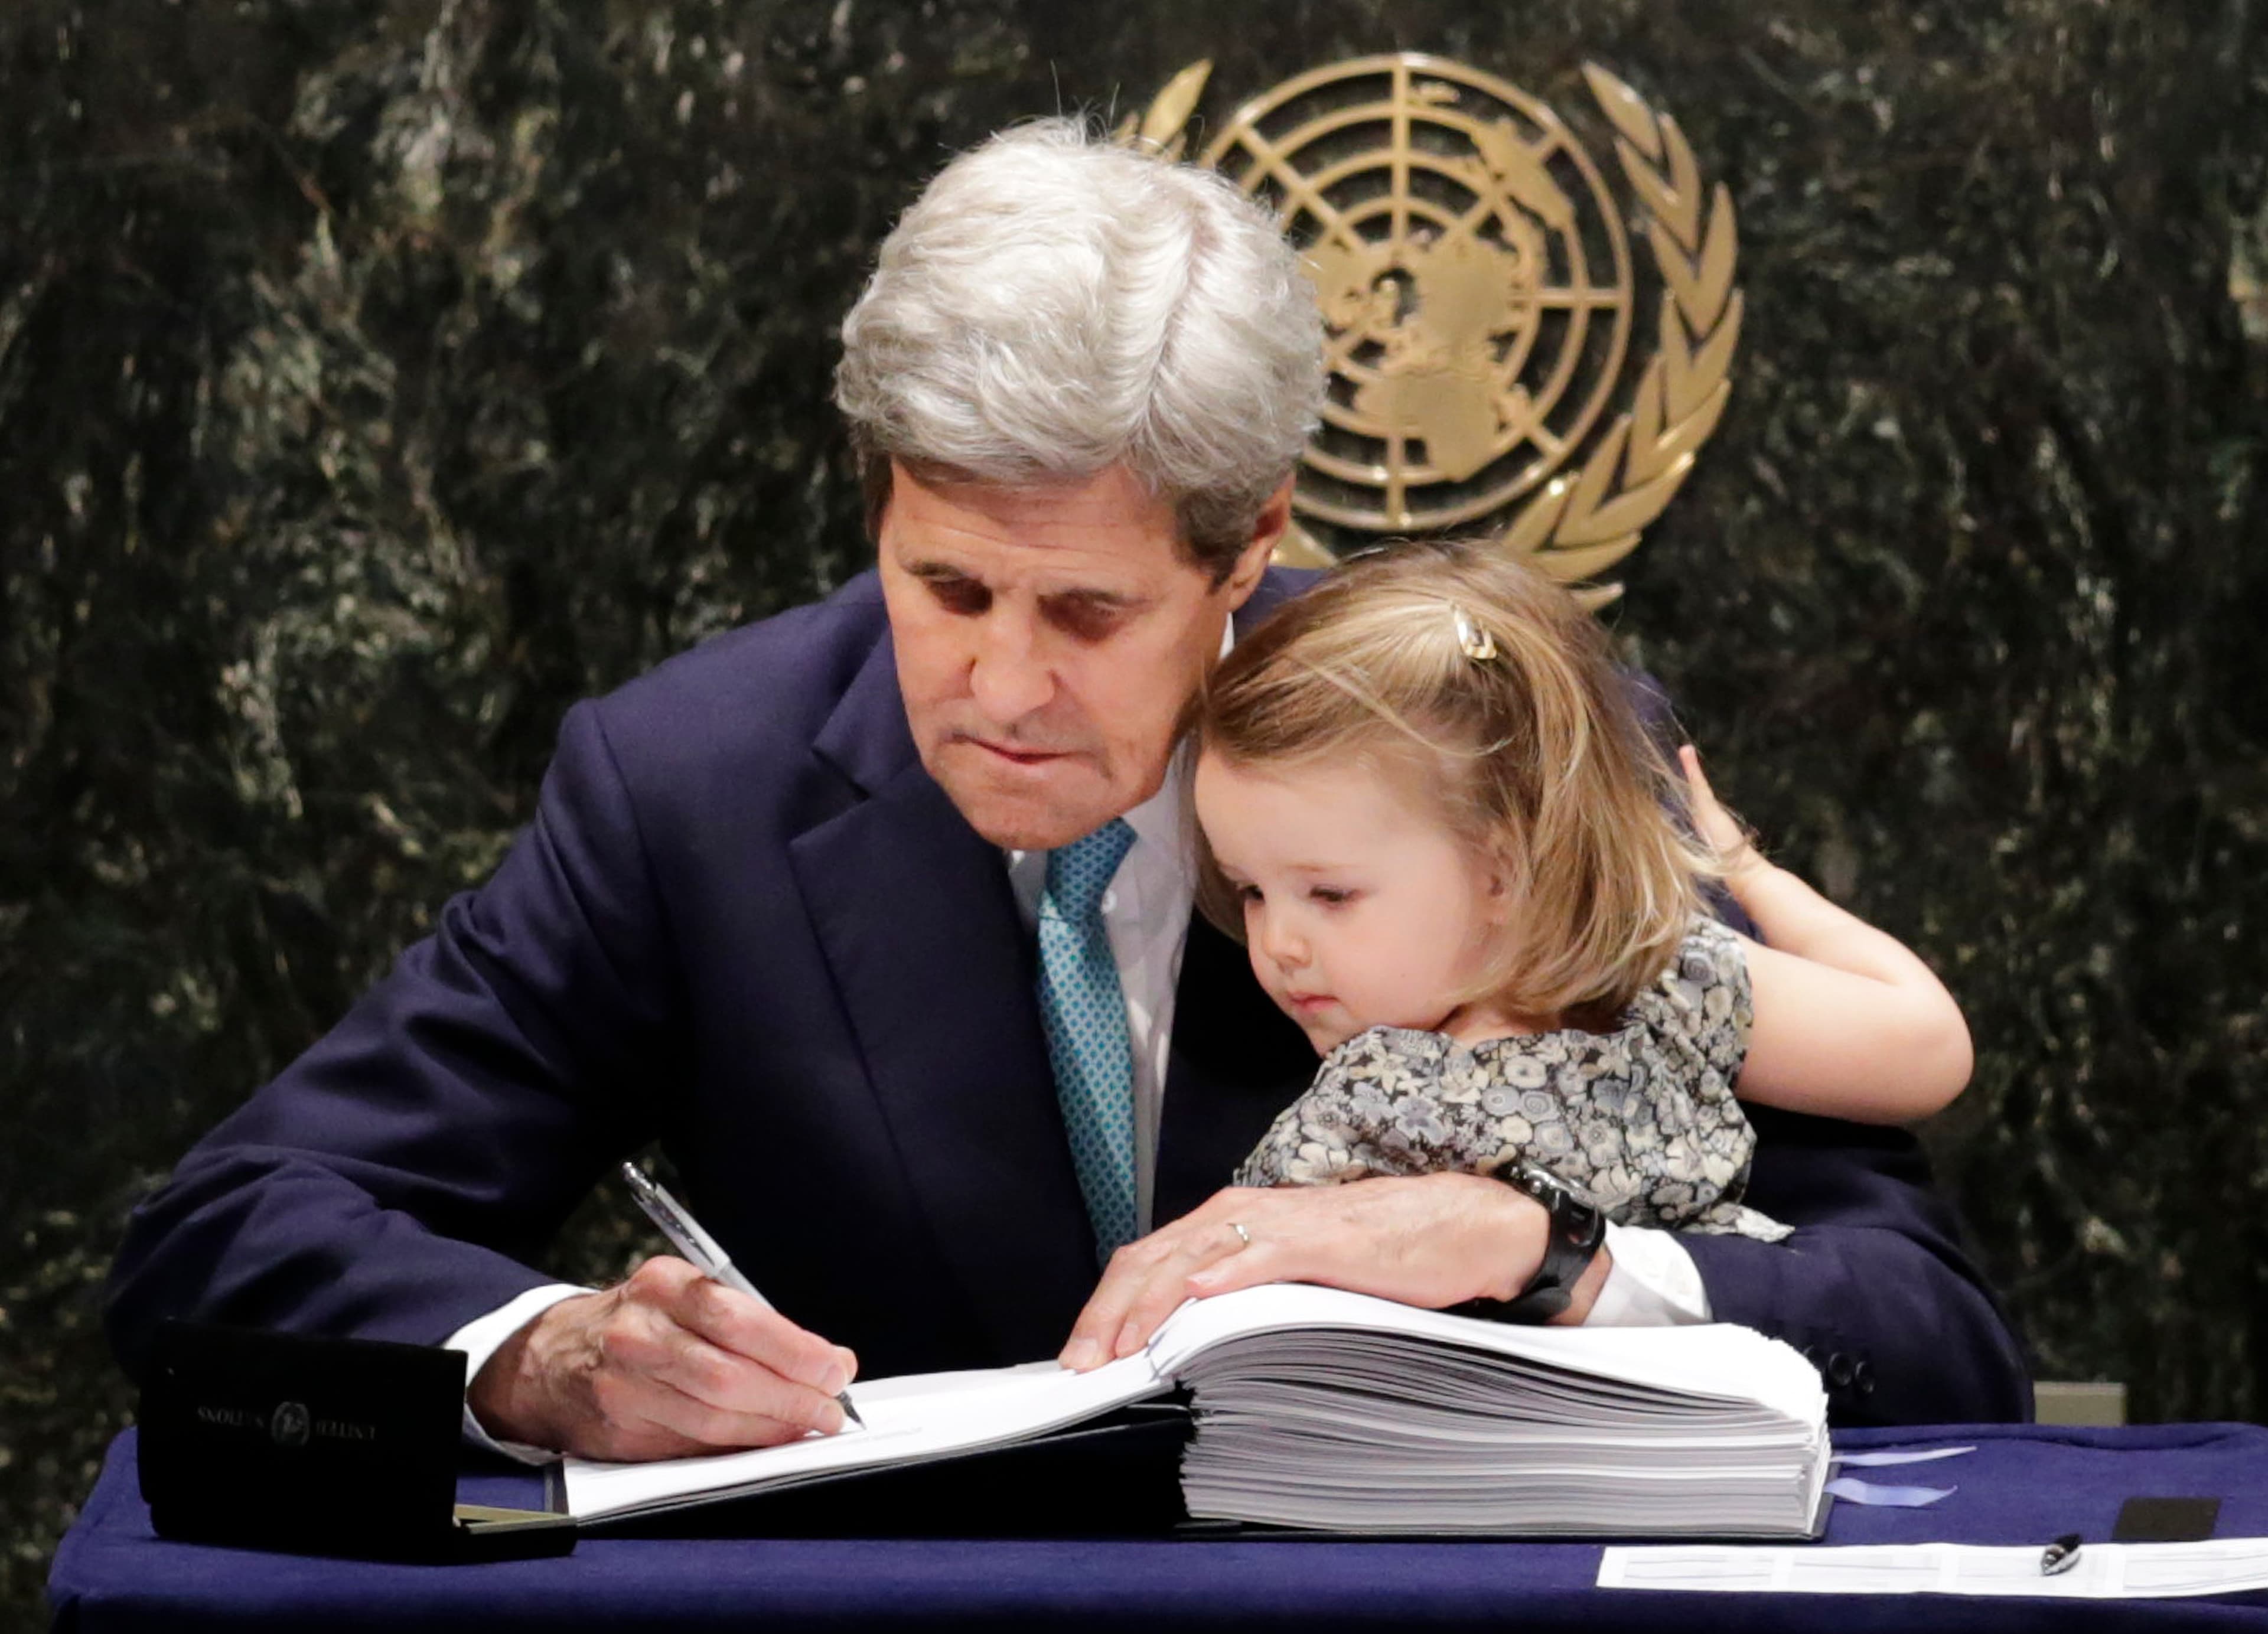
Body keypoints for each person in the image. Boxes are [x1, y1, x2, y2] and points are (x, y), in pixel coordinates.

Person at [103, 118, 2029, 1465]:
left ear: (1249, 546)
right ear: (880, 510)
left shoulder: (1490, 732)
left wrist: (1554, 1255)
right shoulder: (684, 784)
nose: (1000, 685)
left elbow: (1938, 1337)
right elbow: (238, 1220)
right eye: (945, 587)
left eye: (1091, 609)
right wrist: (534, 1353)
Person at [1191, 542, 1969, 1266]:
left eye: (1330, 893)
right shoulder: (1356, 1104)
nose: (1278, 942)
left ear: (1503, 871)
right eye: (1251, 891)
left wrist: (1750, 876)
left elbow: (1925, 1051)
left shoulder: (1660, 984)